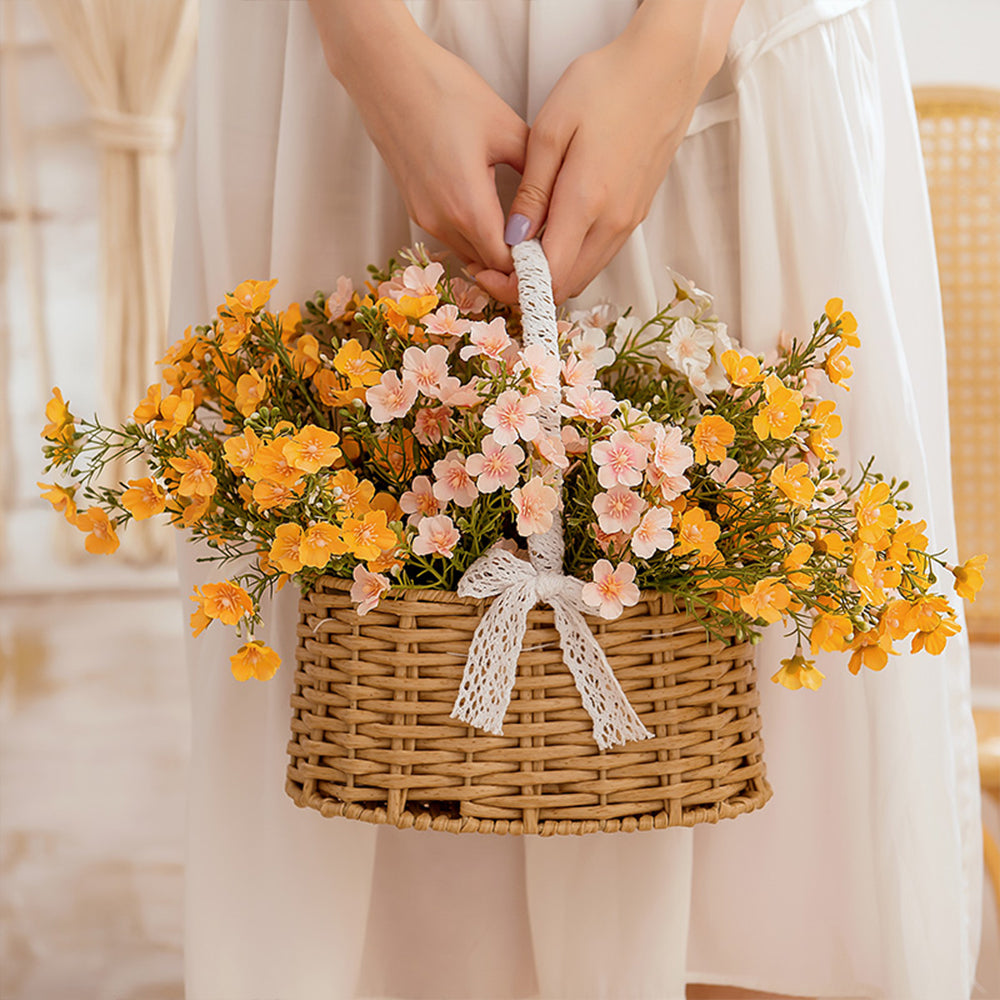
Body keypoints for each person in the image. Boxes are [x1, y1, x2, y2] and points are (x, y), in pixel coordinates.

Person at [169, 1, 982, 998]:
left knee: (784, 888)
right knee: (374, 919)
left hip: (732, 50)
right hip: (348, 55)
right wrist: (364, 42)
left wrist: (676, 45)